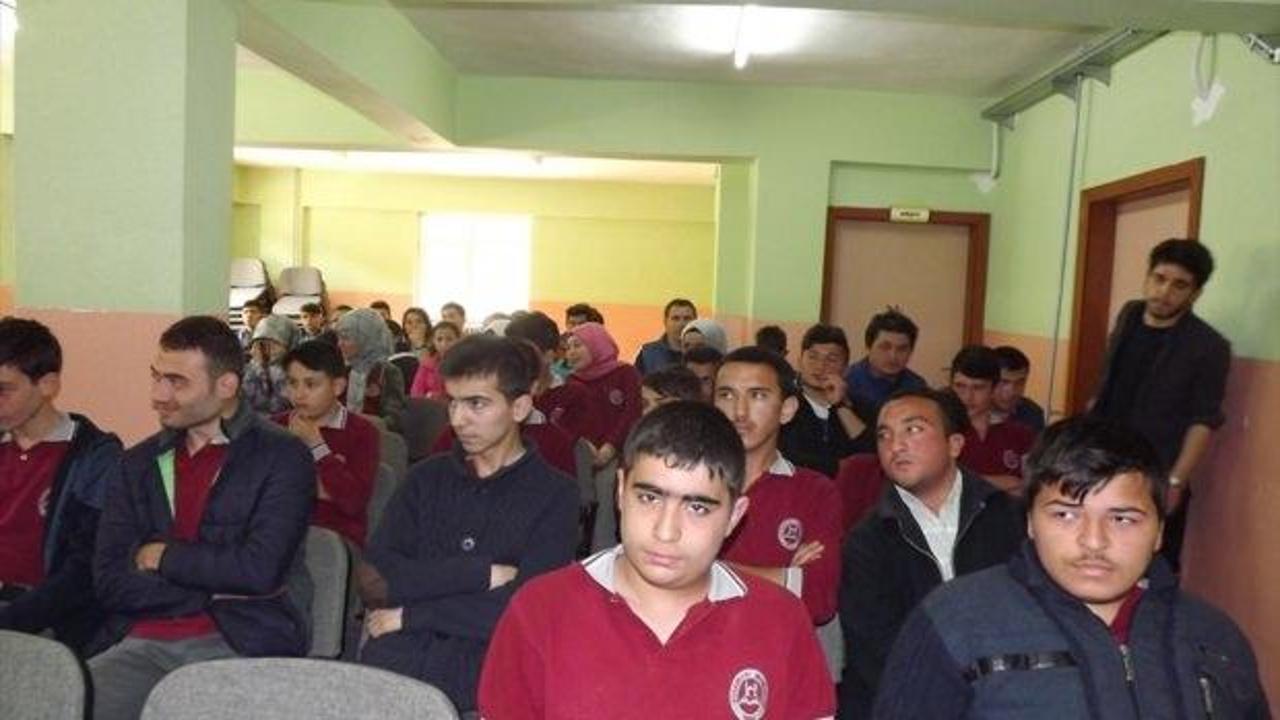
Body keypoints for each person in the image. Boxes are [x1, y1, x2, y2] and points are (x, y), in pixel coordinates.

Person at [873, 416, 1268, 718]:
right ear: (1030, 522)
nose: (1093, 541)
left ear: (1160, 530)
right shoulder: (954, 624)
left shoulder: (1213, 638)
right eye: (1065, 514)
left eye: (1122, 519)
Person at [478, 402, 836, 719]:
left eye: (697, 508)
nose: (666, 532)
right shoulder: (540, 611)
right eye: (649, 498)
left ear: (734, 516)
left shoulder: (781, 620)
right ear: (621, 491)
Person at [88, 316, 315, 720]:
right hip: (140, 638)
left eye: (177, 382)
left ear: (226, 385)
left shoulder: (282, 457)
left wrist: (163, 558)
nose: (158, 395)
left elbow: (258, 571)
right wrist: (206, 591)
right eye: (156, 377)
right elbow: (108, 578)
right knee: (65, 704)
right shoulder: (137, 463)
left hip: (238, 639)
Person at [358, 335, 579, 714]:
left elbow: (526, 610)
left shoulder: (556, 494)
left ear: (520, 407)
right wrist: (480, 574)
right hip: (392, 669)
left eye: (477, 403)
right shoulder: (425, 478)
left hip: (485, 679)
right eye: (453, 402)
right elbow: (378, 579)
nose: (458, 419)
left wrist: (412, 614)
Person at [836, 388, 1023, 719]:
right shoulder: (868, 540)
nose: (896, 446)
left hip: (1003, 698)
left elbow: (1026, 622)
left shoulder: (1008, 518)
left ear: (955, 445)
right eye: (884, 435)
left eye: (913, 429)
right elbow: (877, 653)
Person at [1089, 239, 1230, 571]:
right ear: (1148, 276)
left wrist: (1176, 480)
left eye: (1179, 285)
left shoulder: (1208, 346)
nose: (1164, 292)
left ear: (1195, 293)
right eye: (1159, 278)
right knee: (1099, 551)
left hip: (1156, 469)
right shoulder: (1130, 315)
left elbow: (1203, 420)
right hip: (1101, 459)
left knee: (1152, 564)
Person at [0, 318, 121, 654]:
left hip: (43, 617)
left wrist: (9, 621)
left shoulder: (94, 458)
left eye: (4, 390)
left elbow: (84, 569)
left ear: (48, 385)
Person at [713, 347, 842, 624]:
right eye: (726, 395)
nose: (739, 412)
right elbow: (660, 578)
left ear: (786, 410)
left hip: (776, 642)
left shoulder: (815, 491)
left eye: (757, 395)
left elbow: (817, 599)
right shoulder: (686, 482)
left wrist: (707, 570)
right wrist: (785, 576)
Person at [275, 340, 380, 548]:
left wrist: (316, 446)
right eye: (293, 383)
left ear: (337, 386)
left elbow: (352, 502)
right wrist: (323, 486)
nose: (299, 394)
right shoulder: (274, 427)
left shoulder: (362, 432)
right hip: (277, 533)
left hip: (334, 540)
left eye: (311, 384)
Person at [780, 324, 872, 478]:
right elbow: (789, 459)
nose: (820, 366)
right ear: (799, 360)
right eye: (813, 357)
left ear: (846, 367)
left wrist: (841, 406)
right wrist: (838, 466)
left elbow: (871, 457)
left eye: (831, 359)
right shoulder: (784, 405)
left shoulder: (861, 407)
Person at [950, 345, 1035, 494]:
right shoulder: (940, 429)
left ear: (994, 389)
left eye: (978, 388)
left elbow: (1030, 488)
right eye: (960, 386)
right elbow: (942, 483)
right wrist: (1008, 482)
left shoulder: (1021, 434)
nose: (967, 397)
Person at [506, 312, 594, 446]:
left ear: (549, 356)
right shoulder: (502, 392)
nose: (515, 360)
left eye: (524, 353)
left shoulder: (574, 395)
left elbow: (563, 446)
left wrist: (533, 418)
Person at [564, 322, 642, 471]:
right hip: (581, 457)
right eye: (567, 348)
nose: (571, 352)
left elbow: (632, 412)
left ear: (596, 345)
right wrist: (584, 446)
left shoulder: (625, 373)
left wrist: (611, 446)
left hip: (622, 453)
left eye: (577, 345)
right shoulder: (571, 381)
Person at [843, 307, 926, 425]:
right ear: (868, 347)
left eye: (902, 349)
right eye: (885, 347)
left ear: (911, 351)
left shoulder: (917, 387)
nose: (893, 356)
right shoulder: (847, 382)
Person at [334, 308, 406, 432]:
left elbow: (394, 419)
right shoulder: (343, 370)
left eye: (346, 338)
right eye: (339, 338)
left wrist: (361, 422)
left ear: (365, 338)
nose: (339, 344)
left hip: (376, 436)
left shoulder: (387, 372)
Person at [242, 314, 297, 415]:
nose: (264, 349)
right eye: (259, 343)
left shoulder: (298, 373)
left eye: (273, 343)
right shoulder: (248, 371)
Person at [634, 298, 696, 376]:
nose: (681, 324)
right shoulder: (648, 354)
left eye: (687, 318)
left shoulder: (705, 352)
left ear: (695, 322)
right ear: (665, 322)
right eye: (675, 318)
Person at [992, 345, 1046, 433]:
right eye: (1004, 382)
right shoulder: (973, 413)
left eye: (1020, 382)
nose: (1012, 391)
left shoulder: (1033, 414)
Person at [409, 320, 462, 399]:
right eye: (439, 339)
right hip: (429, 405)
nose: (444, 344)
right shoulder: (426, 365)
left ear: (458, 340)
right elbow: (415, 394)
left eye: (449, 339)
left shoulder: (465, 365)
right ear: (433, 341)